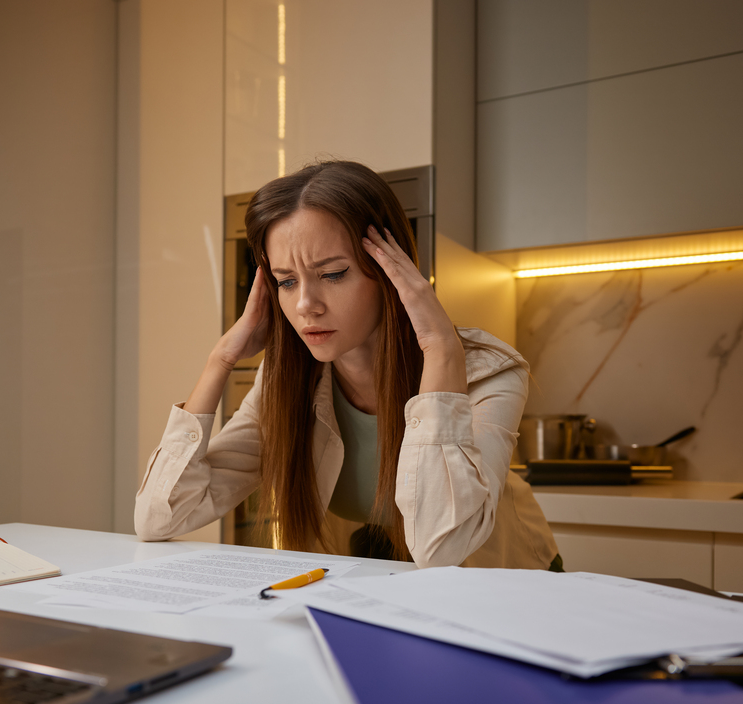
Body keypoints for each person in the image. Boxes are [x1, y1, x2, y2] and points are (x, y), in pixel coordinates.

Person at [135, 160, 559, 570]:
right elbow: (160, 518)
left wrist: (441, 350)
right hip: (382, 584)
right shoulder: (289, 381)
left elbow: (442, 546)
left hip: (508, 589)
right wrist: (219, 361)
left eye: (334, 274)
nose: (305, 306)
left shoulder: (489, 371)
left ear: (392, 270)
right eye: (286, 281)